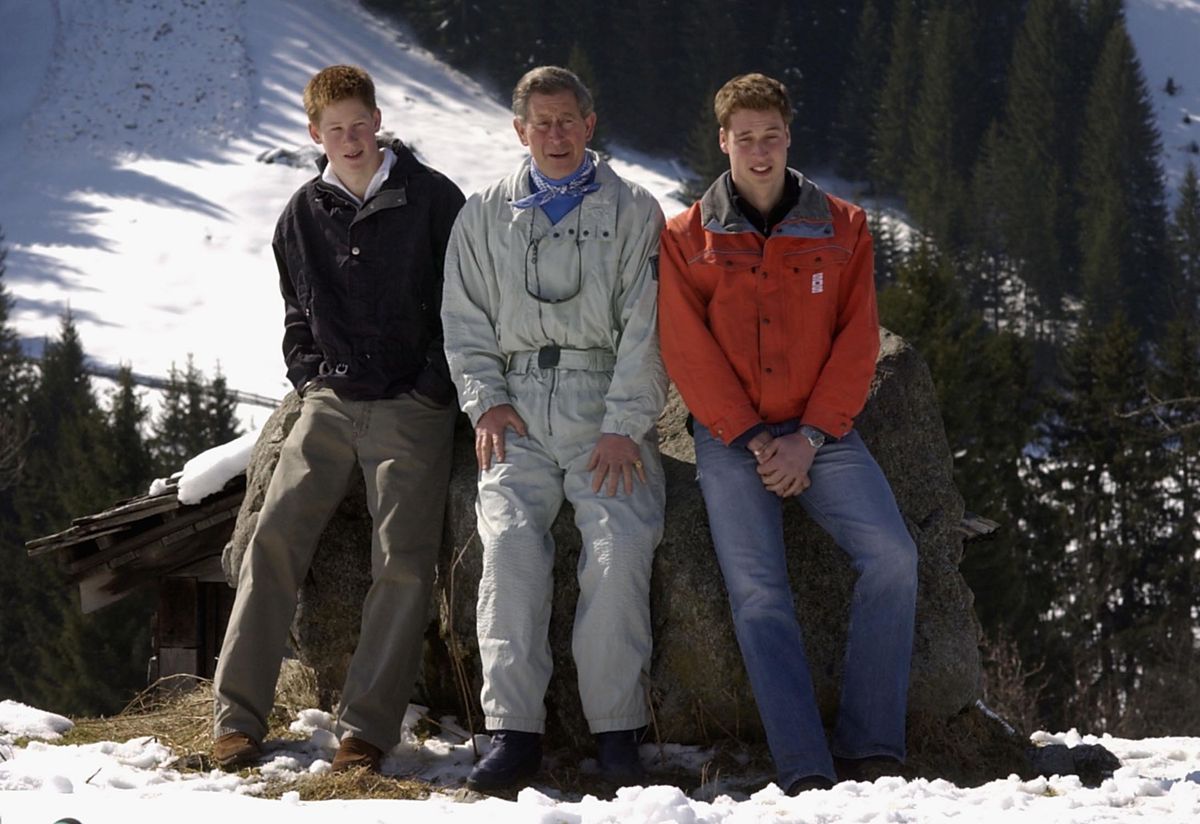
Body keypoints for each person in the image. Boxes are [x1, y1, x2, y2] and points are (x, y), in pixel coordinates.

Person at [657, 73, 918, 794]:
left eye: (771, 136)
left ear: (788, 137)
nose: (760, 151)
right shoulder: (686, 238)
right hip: (729, 438)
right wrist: (750, 439)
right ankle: (804, 766)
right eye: (745, 139)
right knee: (760, 595)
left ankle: (872, 747)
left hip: (821, 433)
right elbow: (685, 350)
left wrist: (808, 437)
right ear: (723, 141)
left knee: (894, 557)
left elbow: (856, 341)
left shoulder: (844, 227)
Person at [211, 65, 464, 774]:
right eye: (335, 130)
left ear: (378, 120)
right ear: (313, 133)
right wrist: (308, 376)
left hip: (413, 408)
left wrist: (430, 387)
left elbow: (465, 303)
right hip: (328, 402)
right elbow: (297, 311)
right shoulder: (301, 212)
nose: (350, 140)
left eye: (360, 125)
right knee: (271, 543)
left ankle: (367, 732)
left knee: (405, 566)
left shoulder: (434, 199)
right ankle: (235, 721)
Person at [441, 65, 667, 792]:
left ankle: (617, 732)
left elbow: (649, 328)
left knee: (618, 545)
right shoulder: (482, 213)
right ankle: (513, 732)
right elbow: (464, 322)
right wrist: (486, 401)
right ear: (519, 130)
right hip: (519, 410)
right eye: (541, 122)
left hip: (606, 408)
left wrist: (625, 424)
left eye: (568, 119)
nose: (556, 134)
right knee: (508, 549)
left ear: (590, 123)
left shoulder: (635, 210)